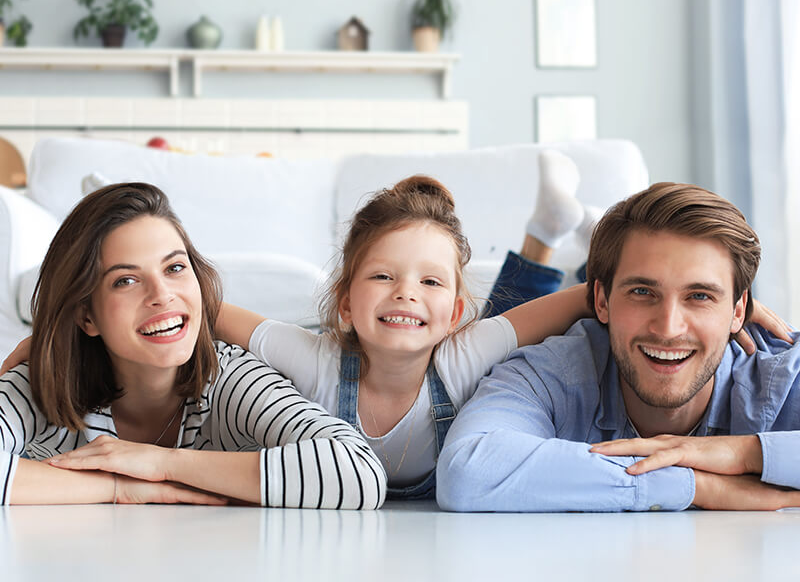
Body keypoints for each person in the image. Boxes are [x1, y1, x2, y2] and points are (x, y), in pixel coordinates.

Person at [210, 164, 786, 500]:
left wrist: (719, 306)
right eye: (383, 276)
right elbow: (220, 314)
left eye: (430, 283)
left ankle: (548, 233)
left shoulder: (462, 356)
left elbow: (556, 308)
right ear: (342, 301)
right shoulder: (313, 360)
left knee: (517, 309)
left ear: (458, 312)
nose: (406, 294)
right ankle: (553, 237)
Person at [0, 182, 385, 508]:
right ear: (86, 316)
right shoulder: (39, 382)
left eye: (174, 268)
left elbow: (358, 471)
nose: (162, 295)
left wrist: (163, 464)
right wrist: (120, 486)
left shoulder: (229, 376)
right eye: (125, 281)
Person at [436, 182, 800, 512]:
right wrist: (687, 483)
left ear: (738, 313)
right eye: (642, 292)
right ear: (601, 301)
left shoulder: (783, 378)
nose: (668, 329)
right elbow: (466, 469)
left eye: (700, 296)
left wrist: (745, 453)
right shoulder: (552, 371)